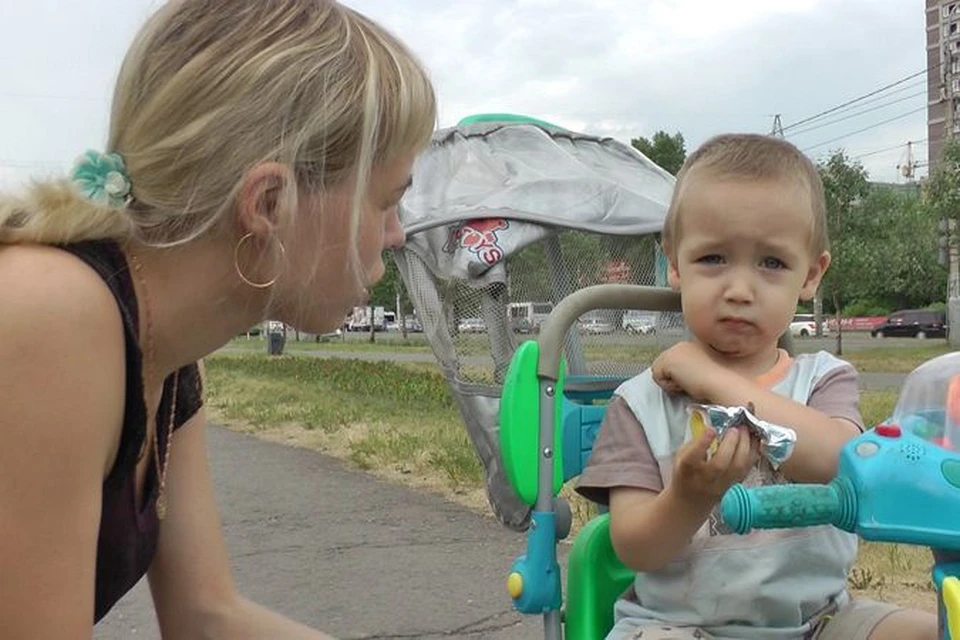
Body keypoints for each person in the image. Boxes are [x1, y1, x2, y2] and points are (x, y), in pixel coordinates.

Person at [0, 1, 435, 637]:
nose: (396, 236)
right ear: (270, 201)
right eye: (388, 202)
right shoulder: (50, 313)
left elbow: (207, 615)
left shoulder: (164, 348)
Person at [576, 133, 937, 640]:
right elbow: (634, 549)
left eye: (771, 263)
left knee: (935, 628)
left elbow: (842, 460)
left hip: (820, 621)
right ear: (675, 263)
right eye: (713, 259)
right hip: (680, 625)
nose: (740, 290)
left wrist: (712, 381)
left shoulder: (823, 380)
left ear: (811, 274)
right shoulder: (641, 403)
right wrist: (688, 496)